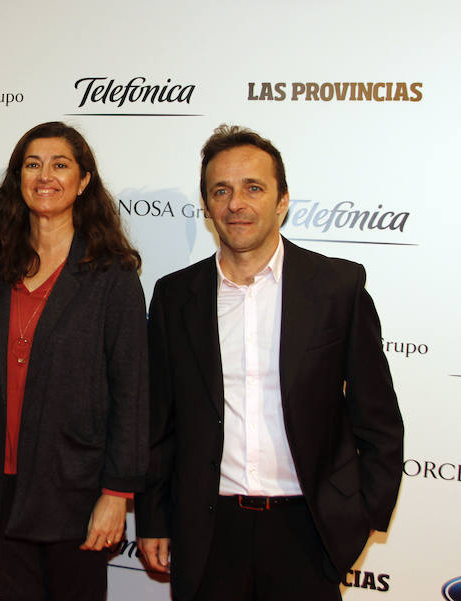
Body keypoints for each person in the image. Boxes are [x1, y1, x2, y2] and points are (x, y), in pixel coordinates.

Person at [135, 124, 404, 601]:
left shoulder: (336, 288)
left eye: (253, 188)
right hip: (209, 530)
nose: (236, 203)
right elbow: (159, 422)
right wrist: (155, 518)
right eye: (222, 190)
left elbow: (378, 419)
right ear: (207, 205)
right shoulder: (176, 296)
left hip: (309, 528)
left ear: (282, 200)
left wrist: (360, 515)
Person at [0, 121, 149, 601]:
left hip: (76, 489)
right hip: (1, 486)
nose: (44, 176)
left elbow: (131, 390)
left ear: (83, 180)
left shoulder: (112, 273)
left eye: (60, 164)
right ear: (18, 179)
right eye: (32, 164)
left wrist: (116, 494)